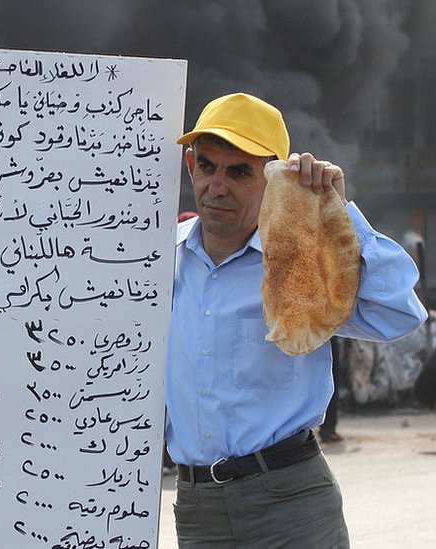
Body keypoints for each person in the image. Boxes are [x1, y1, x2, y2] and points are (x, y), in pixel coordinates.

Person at [167, 92, 427, 548]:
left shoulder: (302, 265)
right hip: (196, 509)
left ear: (277, 177)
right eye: (207, 166)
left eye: (240, 171)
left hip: (291, 504)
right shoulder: (151, 262)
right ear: (190, 166)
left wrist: (336, 214)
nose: (217, 185)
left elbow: (399, 314)